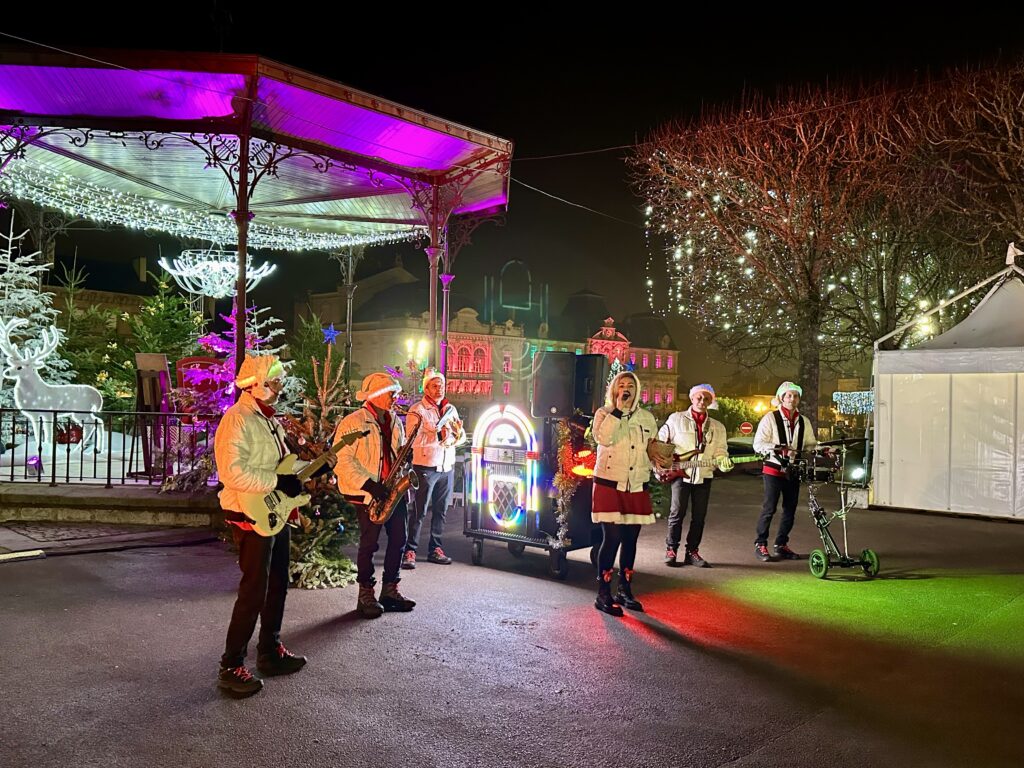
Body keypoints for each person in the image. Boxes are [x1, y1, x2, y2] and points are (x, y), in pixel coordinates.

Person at [214, 353, 317, 697]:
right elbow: (232, 473)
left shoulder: (268, 419)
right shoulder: (238, 420)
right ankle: (231, 665)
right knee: (254, 590)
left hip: (274, 512)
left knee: (276, 585)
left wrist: (299, 474)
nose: (280, 387)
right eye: (274, 381)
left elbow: (278, 465)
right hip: (248, 513)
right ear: (256, 383)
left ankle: (270, 651)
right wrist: (276, 482)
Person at [334, 372, 416, 618]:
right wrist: (369, 485)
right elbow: (342, 459)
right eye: (393, 394)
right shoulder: (353, 421)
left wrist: (404, 458)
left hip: (392, 490)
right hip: (369, 493)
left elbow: (394, 454)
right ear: (378, 395)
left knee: (399, 539)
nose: (396, 399)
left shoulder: (394, 421)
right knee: (369, 544)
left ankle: (390, 591)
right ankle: (365, 594)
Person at [591, 370, 664, 616]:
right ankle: (603, 592)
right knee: (611, 539)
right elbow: (603, 438)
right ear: (614, 390)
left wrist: (660, 464)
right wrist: (618, 411)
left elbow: (652, 450)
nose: (626, 389)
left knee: (630, 540)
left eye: (630, 385)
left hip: (636, 485)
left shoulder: (647, 418)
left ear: (637, 390)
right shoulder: (604, 414)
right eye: (621, 385)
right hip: (609, 484)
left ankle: (625, 588)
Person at [657, 383, 732, 568]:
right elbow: (660, 442)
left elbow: (721, 450)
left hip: (704, 475)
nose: (702, 401)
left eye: (706, 398)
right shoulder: (676, 419)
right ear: (691, 398)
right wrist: (661, 465)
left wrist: (723, 461)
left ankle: (692, 552)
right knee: (676, 513)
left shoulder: (717, 427)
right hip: (681, 474)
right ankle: (671, 549)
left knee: (699, 516)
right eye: (699, 397)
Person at [402, 368, 466, 569]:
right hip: (426, 467)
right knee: (419, 511)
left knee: (441, 510)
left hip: (446, 467)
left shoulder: (451, 409)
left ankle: (435, 548)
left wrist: (456, 436)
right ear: (426, 388)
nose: (439, 389)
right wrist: (438, 435)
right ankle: (409, 550)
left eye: (442, 386)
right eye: (435, 386)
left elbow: (461, 436)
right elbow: (414, 440)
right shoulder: (417, 410)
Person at [752, 381, 818, 562]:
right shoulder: (770, 418)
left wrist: (823, 449)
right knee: (769, 508)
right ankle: (761, 543)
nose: (792, 398)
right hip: (773, 469)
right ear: (781, 398)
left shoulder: (803, 421)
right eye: (788, 395)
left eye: (795, 395)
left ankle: (781, 544)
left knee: (790, 509)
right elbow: (758, 444)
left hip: (793, 470)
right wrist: (777, 447)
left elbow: (810, 444)